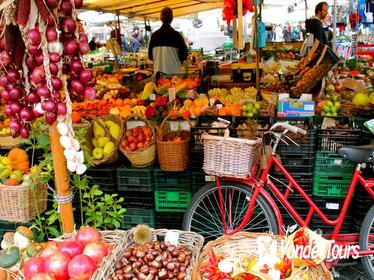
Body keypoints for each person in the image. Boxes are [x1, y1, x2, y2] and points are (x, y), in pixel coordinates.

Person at [148, 7, 188, 74]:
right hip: (174, 78)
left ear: (161, 18)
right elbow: (184, 56)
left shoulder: (154, 36)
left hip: (159, 78)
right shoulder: (177, 36)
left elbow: (150, 57)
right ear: (172, 18)